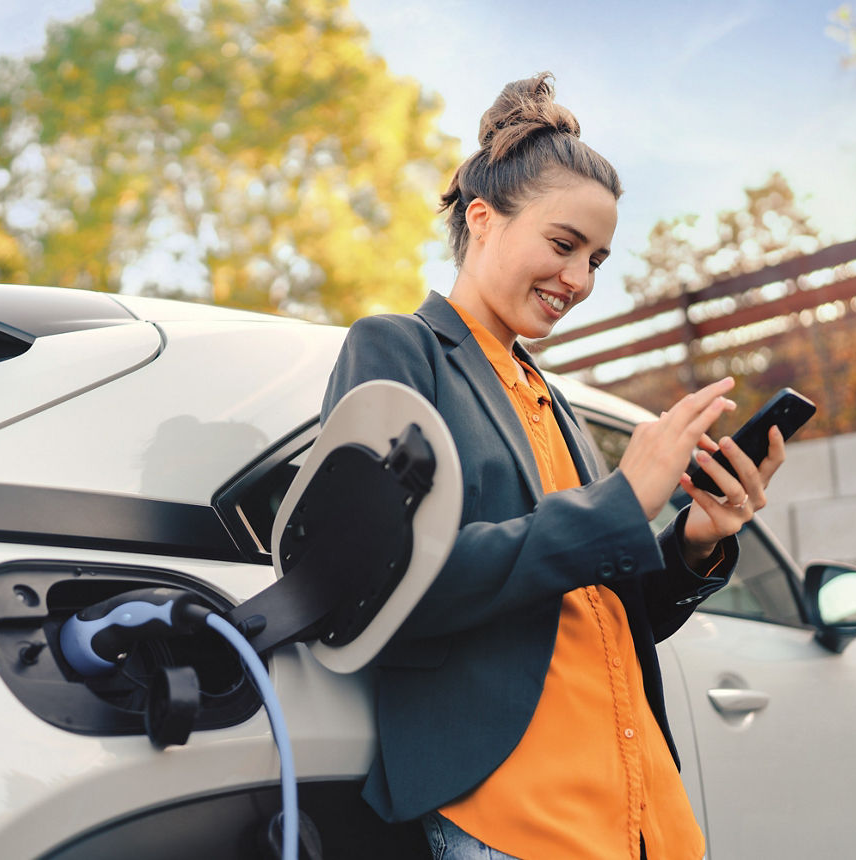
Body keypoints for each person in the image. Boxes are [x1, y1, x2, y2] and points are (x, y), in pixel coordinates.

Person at [320, 73, 786, 860]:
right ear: (482, 219)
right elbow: (382, 583)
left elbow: (603, 614)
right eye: (564, 245)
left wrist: (695, 542)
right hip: (514, 814)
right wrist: (620, 502)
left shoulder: (551, 396)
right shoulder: (398, 349)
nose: (581, 280)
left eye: (597, 258)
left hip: (642, 813)